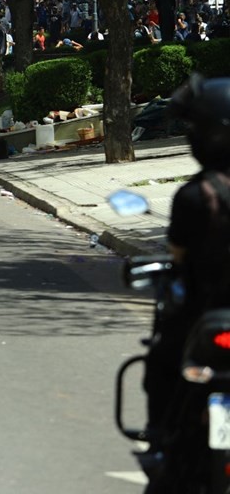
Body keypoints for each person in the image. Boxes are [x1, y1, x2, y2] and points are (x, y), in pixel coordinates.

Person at [139, 76, 230, 472]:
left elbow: (178, 255)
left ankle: (159, 438)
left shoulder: (195, 196)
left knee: (160, 363)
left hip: (204, 317)